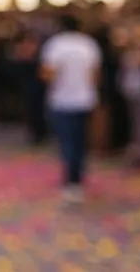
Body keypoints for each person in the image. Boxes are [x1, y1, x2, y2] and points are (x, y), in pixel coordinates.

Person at [40, 13, 101, 204]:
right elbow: (95, 75)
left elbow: (48, 74)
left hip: (62, 99)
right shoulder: (89, 45)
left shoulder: (55, 45)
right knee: (80, 140)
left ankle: (71, 179)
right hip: (85, 99)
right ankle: (77, 177)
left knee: (67, 140)